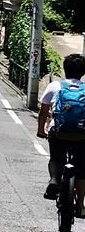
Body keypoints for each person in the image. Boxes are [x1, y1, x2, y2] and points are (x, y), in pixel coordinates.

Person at [37, 52, 85, 212]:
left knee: (56, 158)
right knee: (82, 168)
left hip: (58, 133)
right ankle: (80, 205)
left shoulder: (55, 86)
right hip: (82, 136)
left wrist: (41, 130)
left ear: (65, 70)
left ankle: (54, 180)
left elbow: (43, 112)